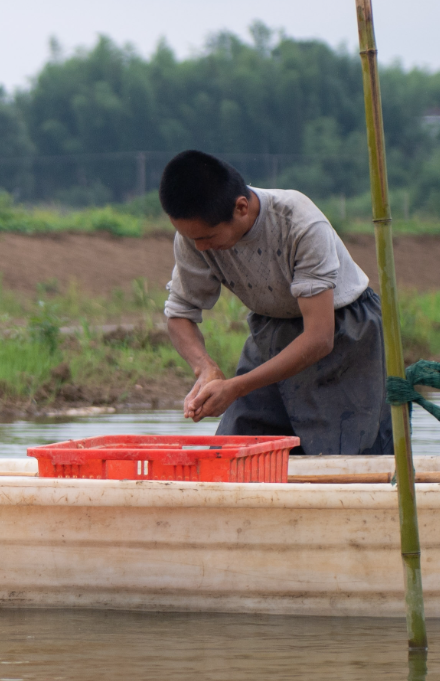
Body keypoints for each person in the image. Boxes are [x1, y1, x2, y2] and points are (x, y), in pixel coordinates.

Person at [159, 149, 392, 456]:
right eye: (193, 239)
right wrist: (206, 368)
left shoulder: (300, 223)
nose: (200, 248)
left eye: (208, 237)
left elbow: (319, 338)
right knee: (237, 451)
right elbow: (179, 314)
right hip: (270, 329)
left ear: (241, 208)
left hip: (344, 331)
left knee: (341, 456)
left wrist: (237, 386)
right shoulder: (194, 237)